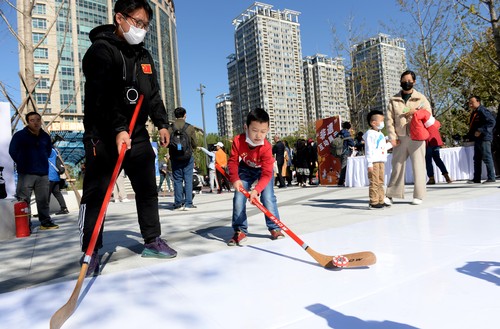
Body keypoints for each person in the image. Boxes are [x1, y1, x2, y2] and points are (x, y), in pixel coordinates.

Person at [80, 0, 177, 276]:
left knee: (147, 189)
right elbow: (104, 96)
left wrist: (161, 123)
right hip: (104, 134)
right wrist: (118, 128)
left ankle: (151, 240)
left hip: (136, 133)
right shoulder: (100, 51)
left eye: (145, 25)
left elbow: (152, 93)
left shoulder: (144, 57)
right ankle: (90, 250)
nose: (141, 29)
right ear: (119, 18)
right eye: (137, 22)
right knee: (97, 194)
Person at [226, 108, 285, 246]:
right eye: (254, 130)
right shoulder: (238, 140)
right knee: (239, 198)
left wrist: (256, 190)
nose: (259, 135)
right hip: (245, 169)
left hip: (263, 172)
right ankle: (239, 230)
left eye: (263, 131)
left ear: (268, 129)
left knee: (268, 197)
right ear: (246, 127)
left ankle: (275, 227)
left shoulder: (266, 147)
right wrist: (235, 179)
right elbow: (233, 161)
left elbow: (266, 174)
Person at [385, 70, 431, 206]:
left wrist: (415, 112)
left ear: (414, 82)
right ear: (400, 82)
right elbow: (389, 120)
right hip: (400, 137)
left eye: (409, 81)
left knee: (419, 166)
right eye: (404, 81)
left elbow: (428, 114)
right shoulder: (393, 100)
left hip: (416, 137)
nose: (406, 83)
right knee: (397, 166)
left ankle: (419, 195)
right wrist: (392, 137)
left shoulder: (421, 98)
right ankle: (391, 194)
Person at [9, 112, 59, 230]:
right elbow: (12, 151)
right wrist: (22, 162)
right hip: (26, 173)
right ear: (27, 122)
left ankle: (45, 222)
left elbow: (47, 151)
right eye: (32, 120)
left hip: (42, 173)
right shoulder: (19, 136)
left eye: (38, 119)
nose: (36, 122)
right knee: (24, 199)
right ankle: (25, 224)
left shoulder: (45, 136)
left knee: (43, 200)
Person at [409, 109, 452, 184]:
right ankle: (446, 176)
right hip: (435, 141)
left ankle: (431, 178)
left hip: (428, 141)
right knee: (437, 159)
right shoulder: (430, 120)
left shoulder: (420, 118)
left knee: (428, 160)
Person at [168, 107, 197, 210]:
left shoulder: (170, 128)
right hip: (187, 157)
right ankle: (188, 203)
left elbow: (167, 143)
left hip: (175, 157)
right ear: (185, 115)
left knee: (177, 180)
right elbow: (195, 143)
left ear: (175, 116)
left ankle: (178, 203)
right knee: (188, 180)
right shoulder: (189, 127)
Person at [363, 110, 392, 209]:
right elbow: (369, 149)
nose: (383, 123)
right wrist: (369, 163)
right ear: (373, 122)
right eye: (381, 120)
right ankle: (373, 201)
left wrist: (392, 144)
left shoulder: (380, 134)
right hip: (374, 161)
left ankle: (381, 199)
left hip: (381, 160)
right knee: (374, 181)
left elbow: (382, 147)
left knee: (380, 181)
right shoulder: (370, 134)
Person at [466, 96, 496, 184]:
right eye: (469, 103)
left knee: (487, 157)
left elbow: (492, 122)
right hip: (477, 139)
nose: (470, 105)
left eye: (472, 102)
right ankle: (476, 178)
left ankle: (491, 177)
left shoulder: (483, 110)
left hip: (484, 138)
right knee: (477, 158)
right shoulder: (475, 112)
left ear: (478, 102)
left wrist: (481, 130)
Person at [48, 147, 69, 215]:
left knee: (45, 195)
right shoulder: (55, 151)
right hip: (56, 177)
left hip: (49, 176)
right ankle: (64, 208)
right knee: (57, 193)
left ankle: (44, 212)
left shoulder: (47, 151)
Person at [337, 121, 355, 186]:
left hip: (339, 152)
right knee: (344, 167)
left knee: (342, 165)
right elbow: (352, 143)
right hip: (345, 151)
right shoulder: (347, 133)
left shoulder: (339, 133)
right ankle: (341, 181)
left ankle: (342, 180)